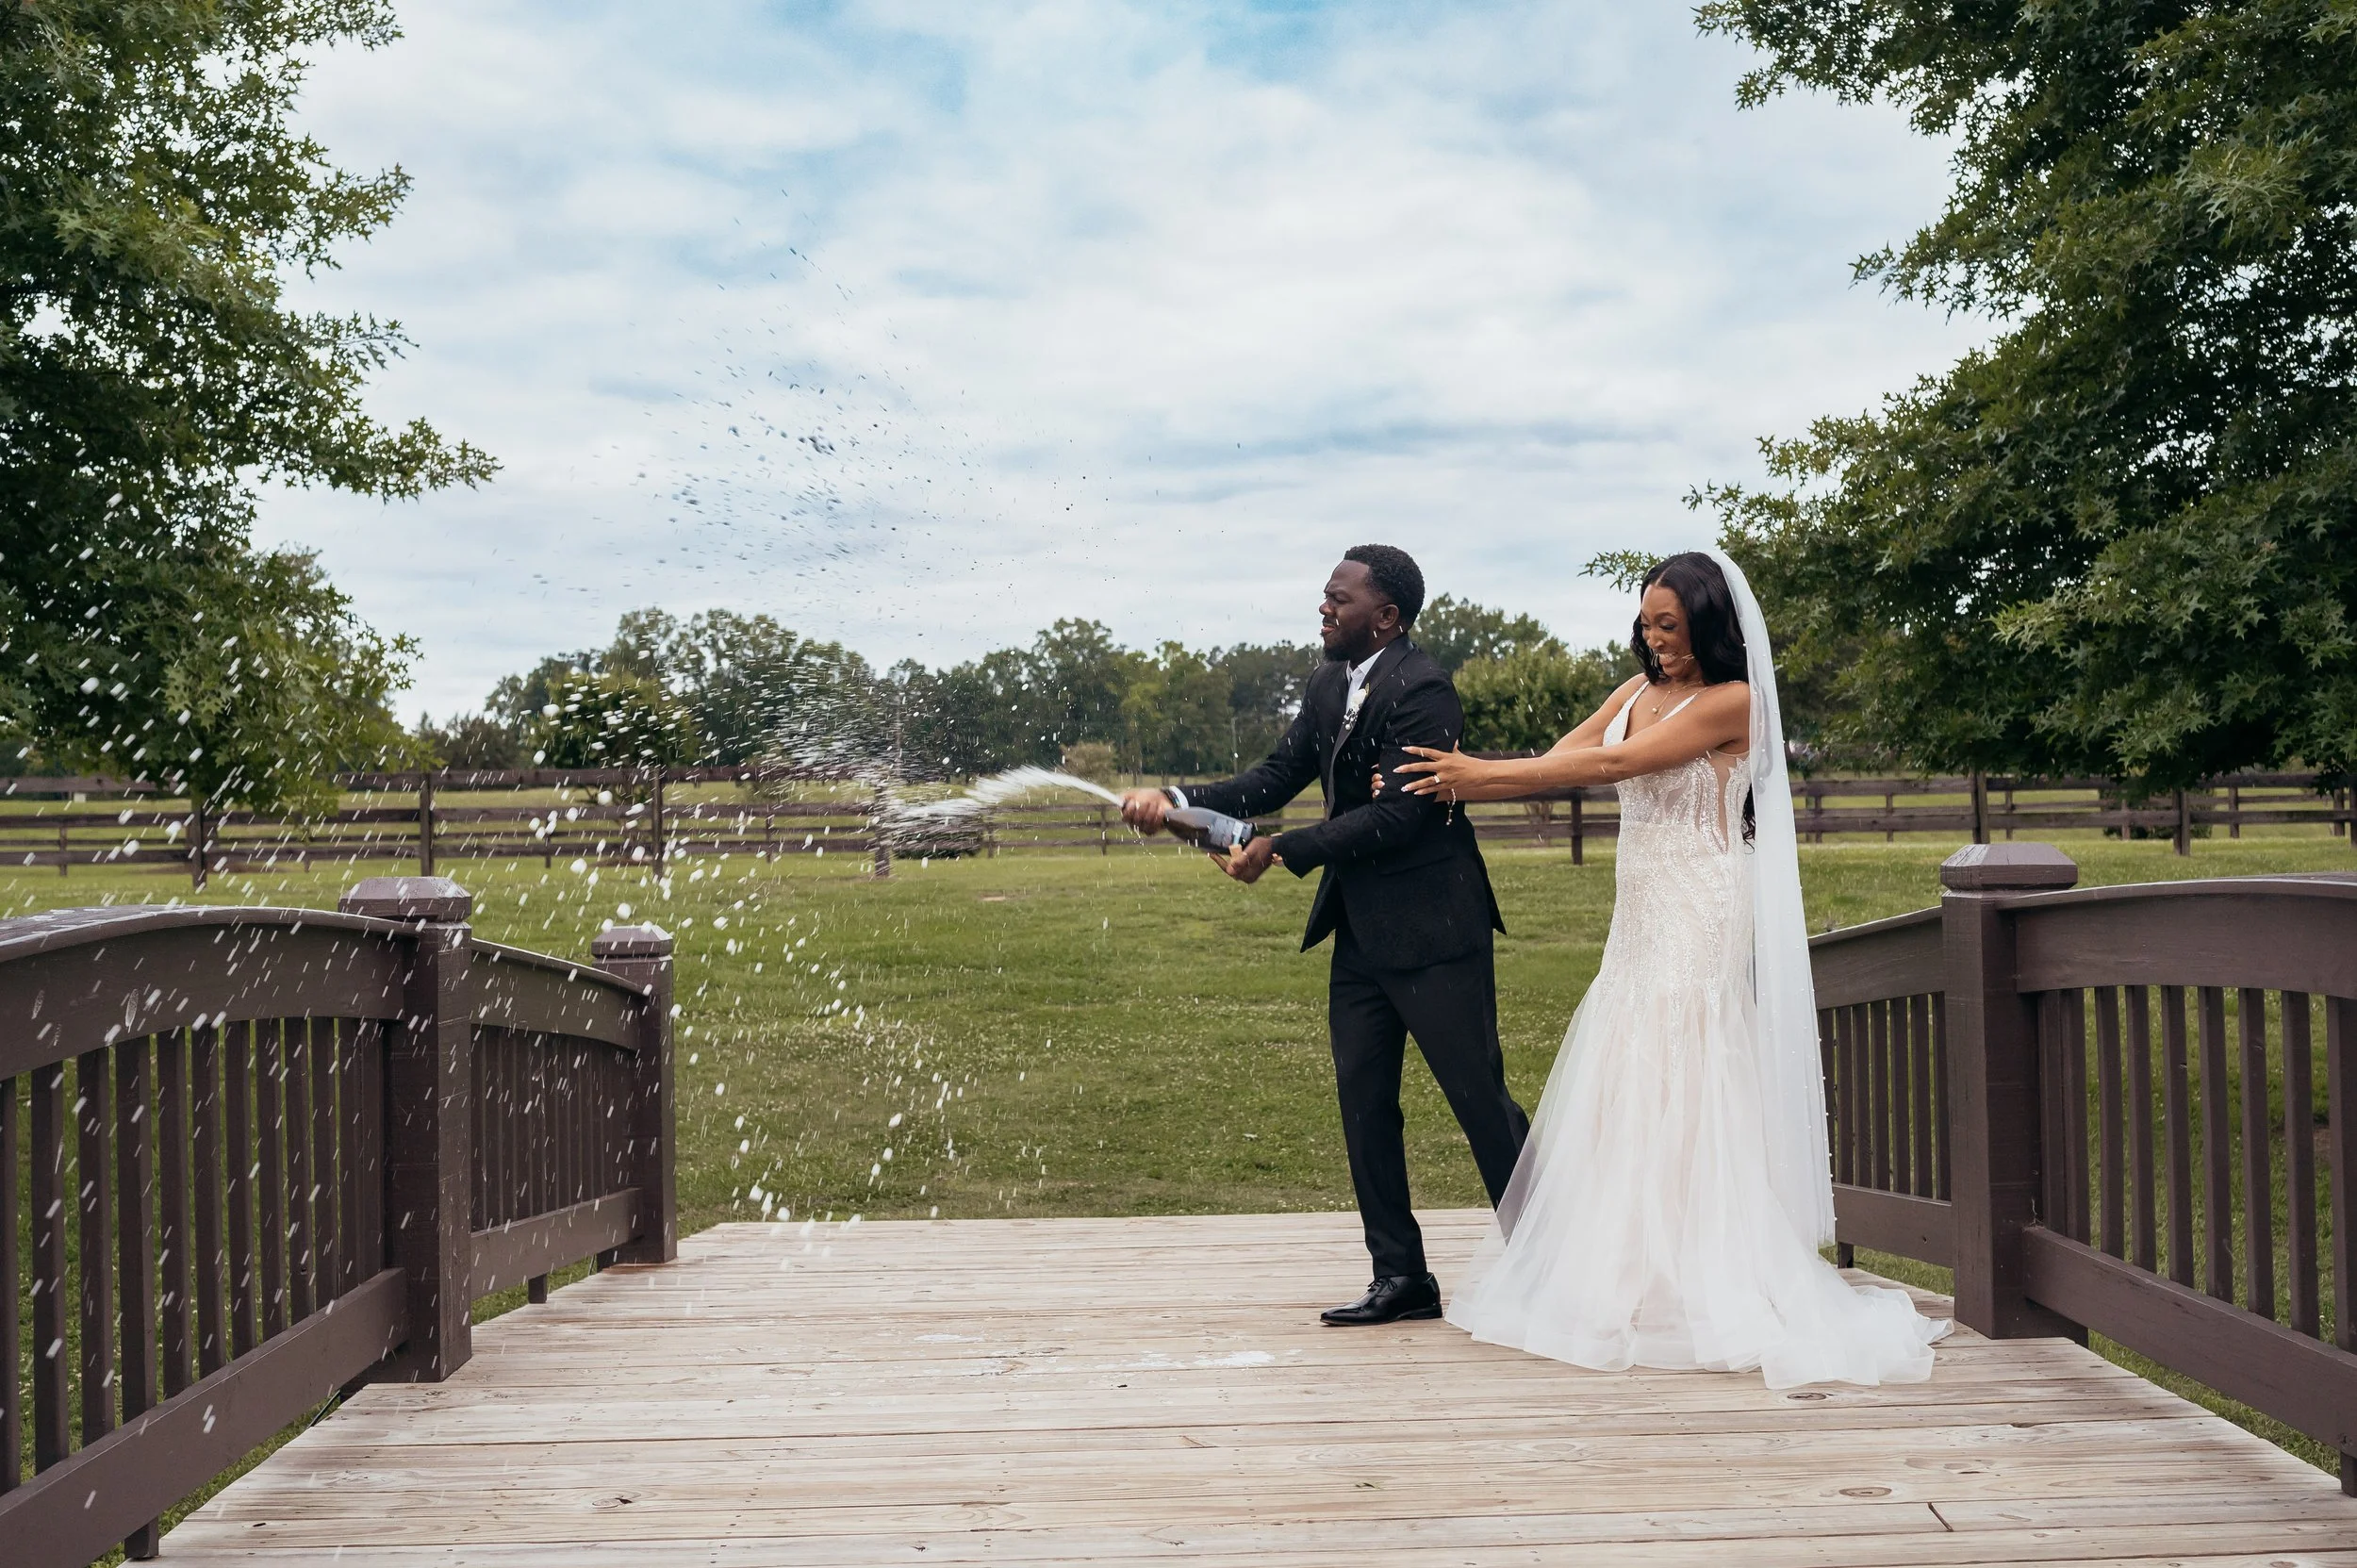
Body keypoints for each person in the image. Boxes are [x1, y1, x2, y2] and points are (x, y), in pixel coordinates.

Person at [1387, 549, 1950, 1386]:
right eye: (1647, 624)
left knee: (1686, 1061)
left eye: (1673, 627)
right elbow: (1564, 758)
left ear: (1711, 628)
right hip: (1641, 910)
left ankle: (1705, 1272)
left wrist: (1478, 778)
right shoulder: (1635, 691)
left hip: (1701, 902)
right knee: (1627, 1062)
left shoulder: (1734, 701)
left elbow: (1614, 765)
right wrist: (1458, 775)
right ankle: (1631, 1272)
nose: (1657, 642)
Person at [1121, 544, 1530, 1327]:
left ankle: (1555, 1262)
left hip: (1436, 929)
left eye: (1339, 599)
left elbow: (1400, 816)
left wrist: (1284, 848)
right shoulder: (1325, 683)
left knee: (1480, 1101)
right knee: (1364, 1101)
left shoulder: (1424, 689)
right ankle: (1401, 1277)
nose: (1324, 607)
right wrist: (1175, 797)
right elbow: (1276, 776)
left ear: (1387, 616)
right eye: (1324, 596)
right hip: (1361, 934)